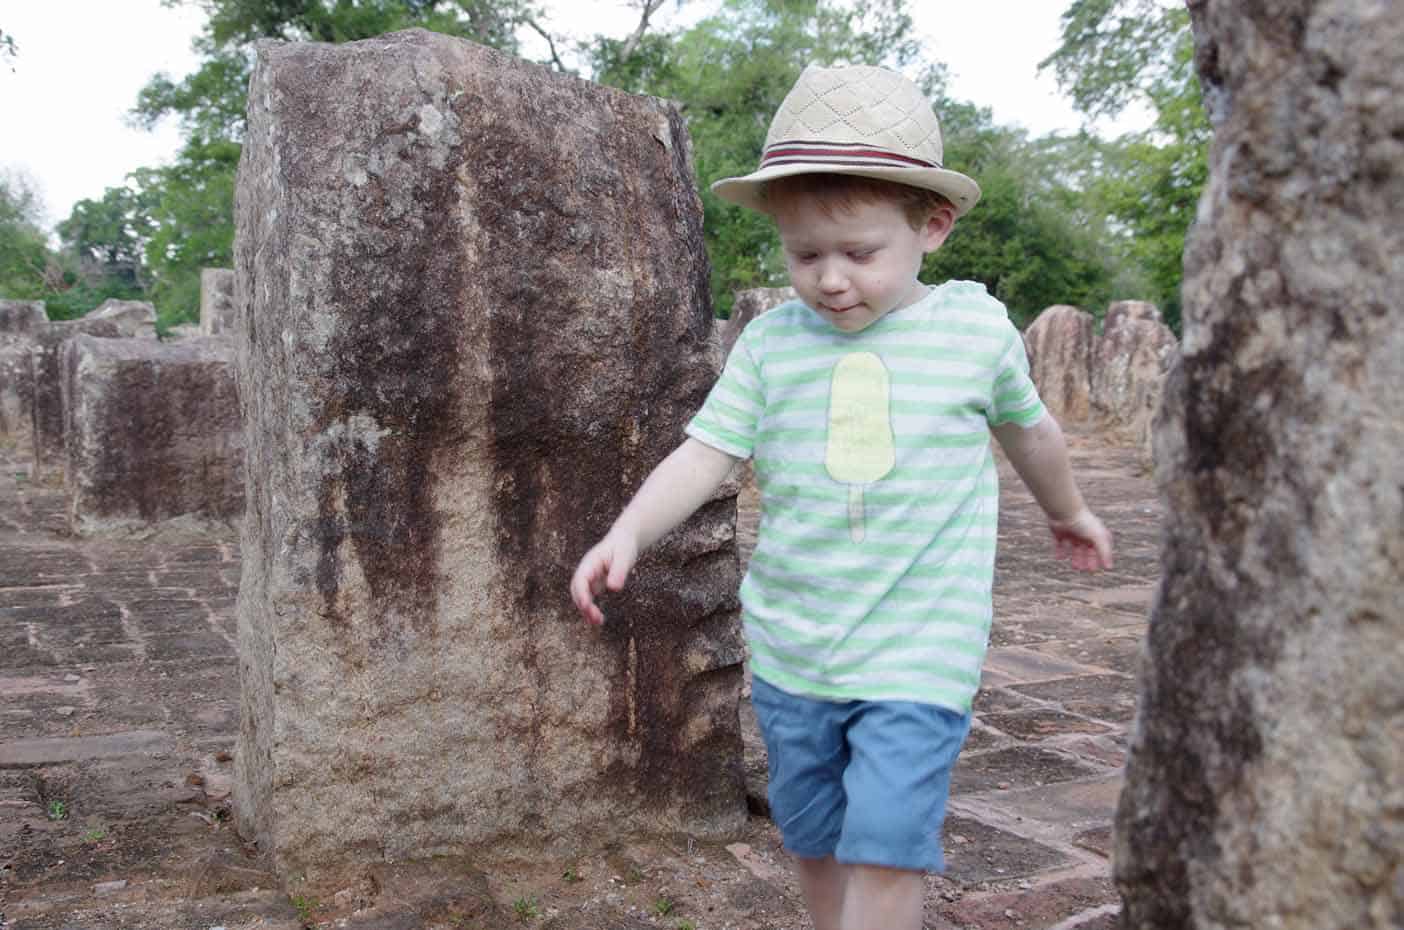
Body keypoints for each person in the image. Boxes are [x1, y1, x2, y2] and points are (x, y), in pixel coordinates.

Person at [570, 63, 1113, 930]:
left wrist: (1068, 509)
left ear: (931, 226)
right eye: (804, 255)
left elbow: (1032, 433)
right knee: (815, 838)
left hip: (919, 650)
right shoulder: (772, 345)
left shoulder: (971, 330)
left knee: (885, 843)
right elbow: (707, 453)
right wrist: (629, 530)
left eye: (859, 253)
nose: (828, 280)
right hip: (797, 650)